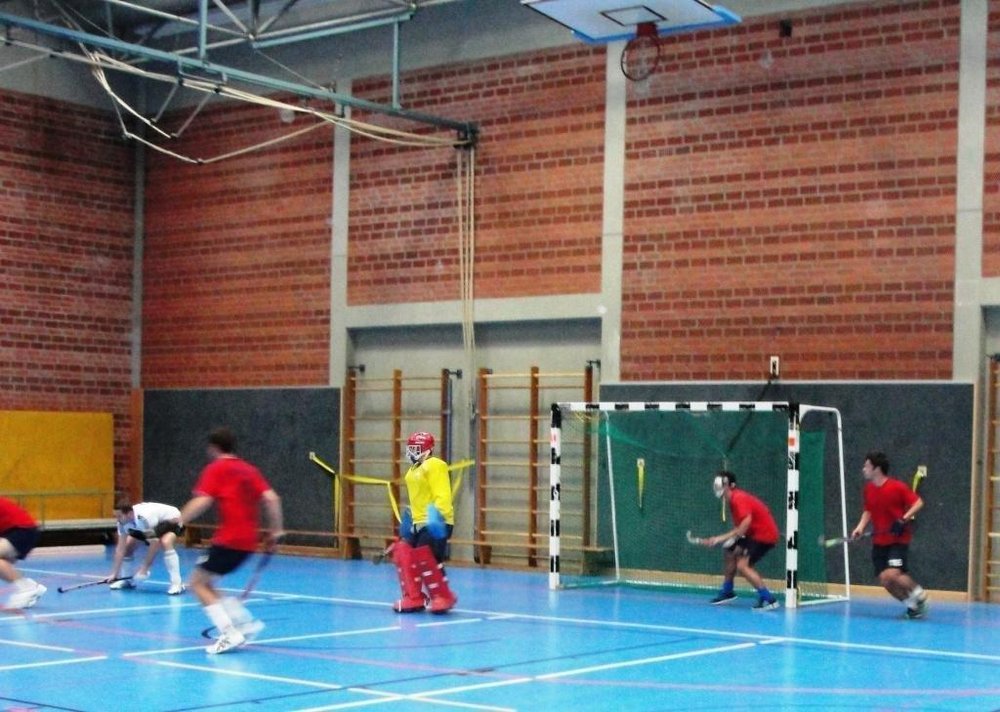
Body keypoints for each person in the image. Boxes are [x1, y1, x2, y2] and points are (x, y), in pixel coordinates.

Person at [174, 427, 284, 654]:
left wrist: (178, 520)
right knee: (208, 583)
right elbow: (272, 499)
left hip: (228, 539)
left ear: (213, 447)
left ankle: (229, 633)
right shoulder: (249, 470)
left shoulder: (216, 468)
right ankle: (243, 623)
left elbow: (202, 501)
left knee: (196, 583)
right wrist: (275, 531)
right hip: (248, 542)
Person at [850, 451, 928, 619]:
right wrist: (860, 527)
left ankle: (919, 594)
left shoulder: (897, 487)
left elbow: (918, 503)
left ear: (877, 469)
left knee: (893, 574)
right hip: (879, 541)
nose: (863, 469)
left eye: (867, 466)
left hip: (897, 539)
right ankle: (913, 607)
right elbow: (868, 510)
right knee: (885, 580)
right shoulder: (869, 489)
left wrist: (903, 519)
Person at [392, 431, 458, 614]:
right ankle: (413, 597)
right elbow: (417, 499)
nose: (411, 453)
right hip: (417, 521)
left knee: (426, 556)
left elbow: (442, 495)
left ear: (427, 450)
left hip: (435, 520)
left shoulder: (434, 465)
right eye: (410, 449)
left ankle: (442, 595)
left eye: (416, 449)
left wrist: (436, 517)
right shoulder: (412, 471)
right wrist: (409, 518)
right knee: (403, 552)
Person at [702, 471, 781, 611]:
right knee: (730, 551)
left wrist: (723, 538)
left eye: (722, 483)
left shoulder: (738, 498)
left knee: (743, 566)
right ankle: (727, 591)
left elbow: (745, 523)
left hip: (763, 535)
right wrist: (720, 539)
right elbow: (741, 527)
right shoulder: (733, 500)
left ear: (730, 485)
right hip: (752, 533)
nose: (717, 486)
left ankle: (769, 599)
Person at [107, 499, 185, 595]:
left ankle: (177, 583)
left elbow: (154, 544)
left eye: (119, 516)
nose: (117, 519)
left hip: (172, 520)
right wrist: (114, 574)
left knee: (166, 542)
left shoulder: (145, 518)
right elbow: (120, 549)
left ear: (130, 514)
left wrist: (144, 568)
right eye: (115, 516)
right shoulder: (122, 523)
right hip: (149, 526)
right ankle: (127, 580)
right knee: (128, 547)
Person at [0, 497, 46, 609]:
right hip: (18, 531)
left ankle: (27, 588)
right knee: (3, 566)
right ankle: (30, 586)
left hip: (21, 531)